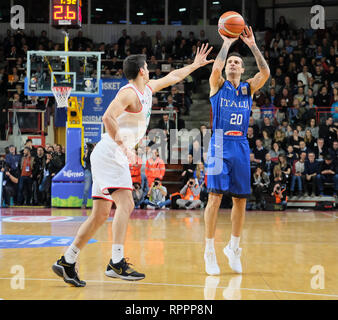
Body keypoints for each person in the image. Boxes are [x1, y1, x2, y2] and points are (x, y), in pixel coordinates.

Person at [52, 44, 214, 286]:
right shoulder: (128, 93)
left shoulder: (147, 89)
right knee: (126, 203)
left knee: (100, 215)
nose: (150, 70)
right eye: (147, 67)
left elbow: (172, 77)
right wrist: (125, 148)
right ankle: (116, 262)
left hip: (108, 154)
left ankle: (67, 260)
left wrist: (195, 64)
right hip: (110, 152)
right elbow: (107, 117)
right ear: (141, 71)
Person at [203, 26, 270, 275]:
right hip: (219, 144)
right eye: (230, 61)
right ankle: (209, 251)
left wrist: (252, 45)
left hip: (240, 144)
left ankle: (234, 247)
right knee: (214, 198)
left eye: (236, 62)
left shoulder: (248, 89)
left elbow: (265, 72)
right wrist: (227, 43)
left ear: (242, 69)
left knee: (241, 200)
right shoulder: (218, 85)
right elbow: (216, 68)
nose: (232, 63)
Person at [81, 143, 94, 209]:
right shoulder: (88, 152)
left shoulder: (95, 153)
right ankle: (84, 204)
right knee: (86, 188)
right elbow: (85, 159)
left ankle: (95, 205)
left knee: (95, 189)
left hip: (95, 171)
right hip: (88, 171)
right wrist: (86, 152)